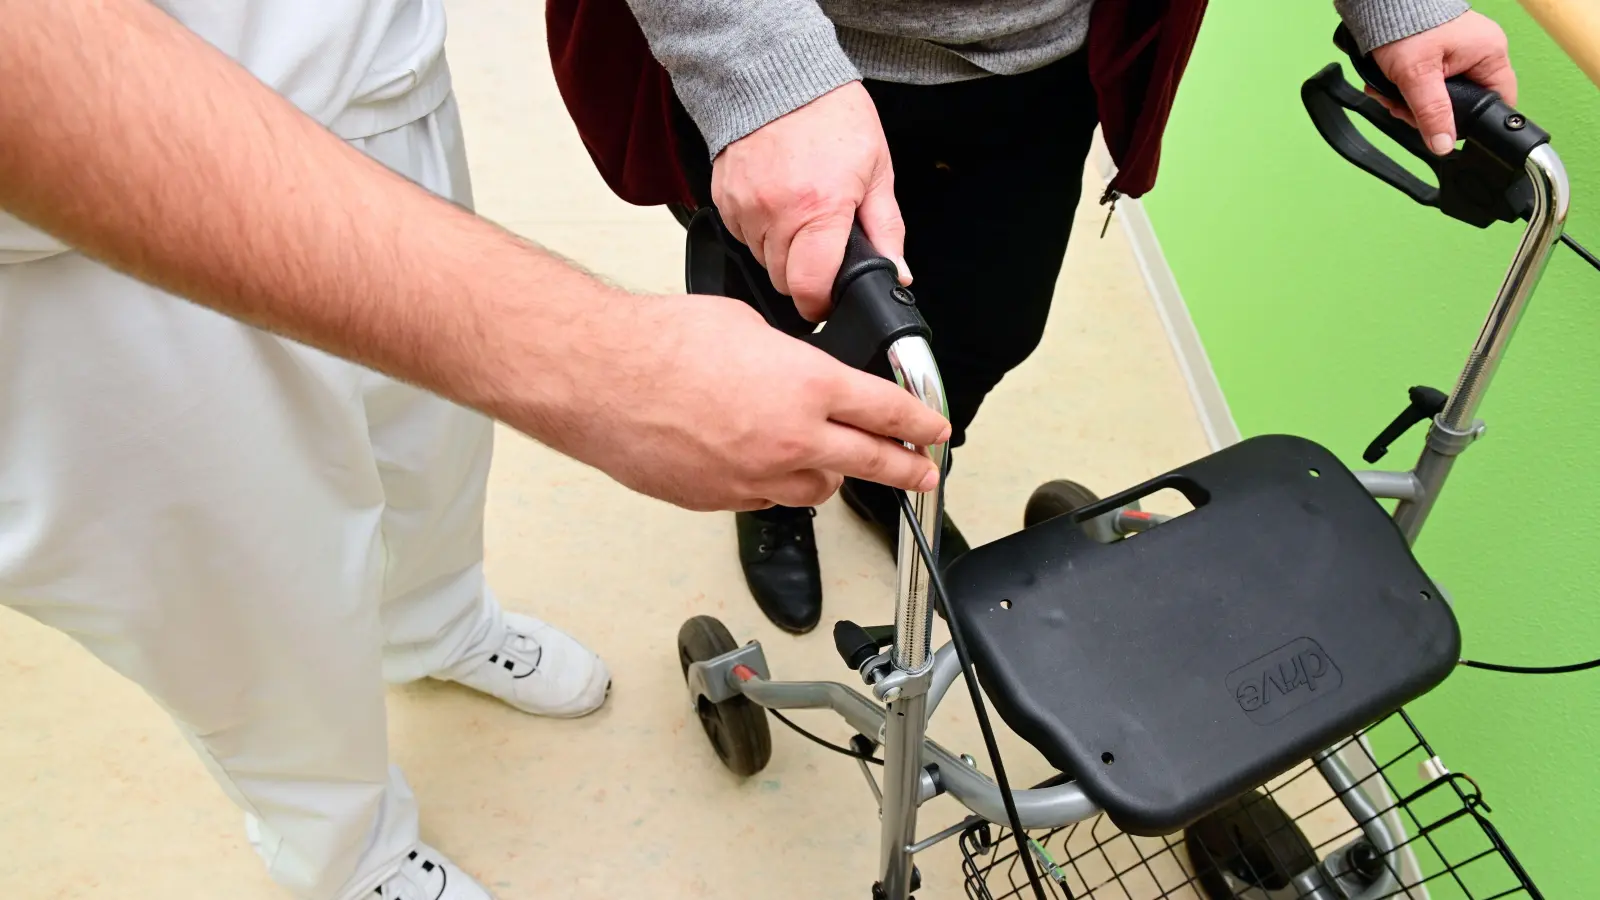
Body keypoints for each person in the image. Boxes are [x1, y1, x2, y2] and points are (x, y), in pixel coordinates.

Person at [0, 3, 949, 899]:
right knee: (239, 593)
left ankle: (436, 624)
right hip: (71, 239)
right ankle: (344, 847)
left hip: (359, 75)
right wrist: (605, 367)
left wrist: (766, 69)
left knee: (429, 446)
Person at [596, 0, 1520, 634]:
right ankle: (774, 502)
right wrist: (763, 76)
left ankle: (882, 484)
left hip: (1043, 62)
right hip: (809, 58)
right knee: (774, 328)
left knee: (991, 323)